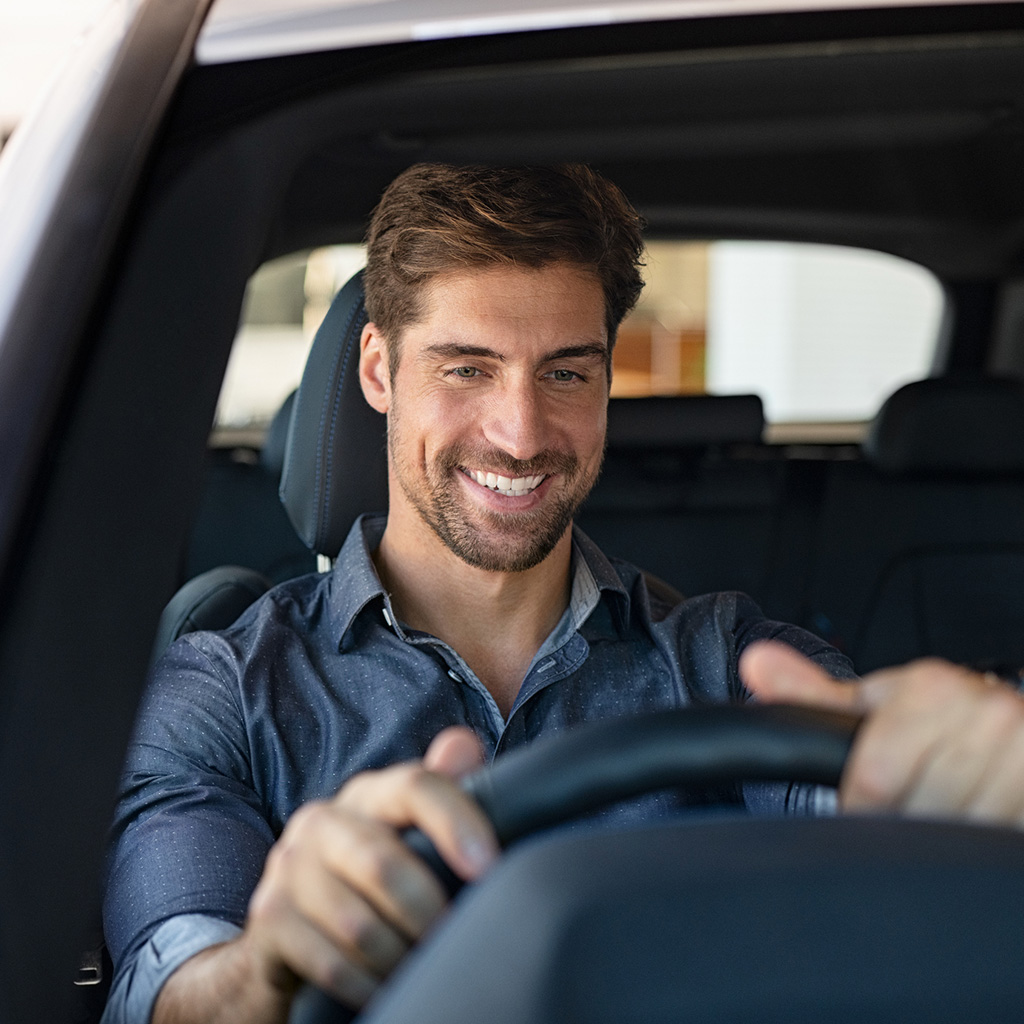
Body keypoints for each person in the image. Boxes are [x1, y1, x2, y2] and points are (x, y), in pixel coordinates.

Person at [100, 162, 1024, 1024]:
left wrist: (966, 799)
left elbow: (873, 836)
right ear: (378, 370)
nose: (521, 432)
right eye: (467, 368)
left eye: (567, 373)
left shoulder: (734, 665)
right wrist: (271, 962)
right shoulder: (222, 689)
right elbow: (175, 981)